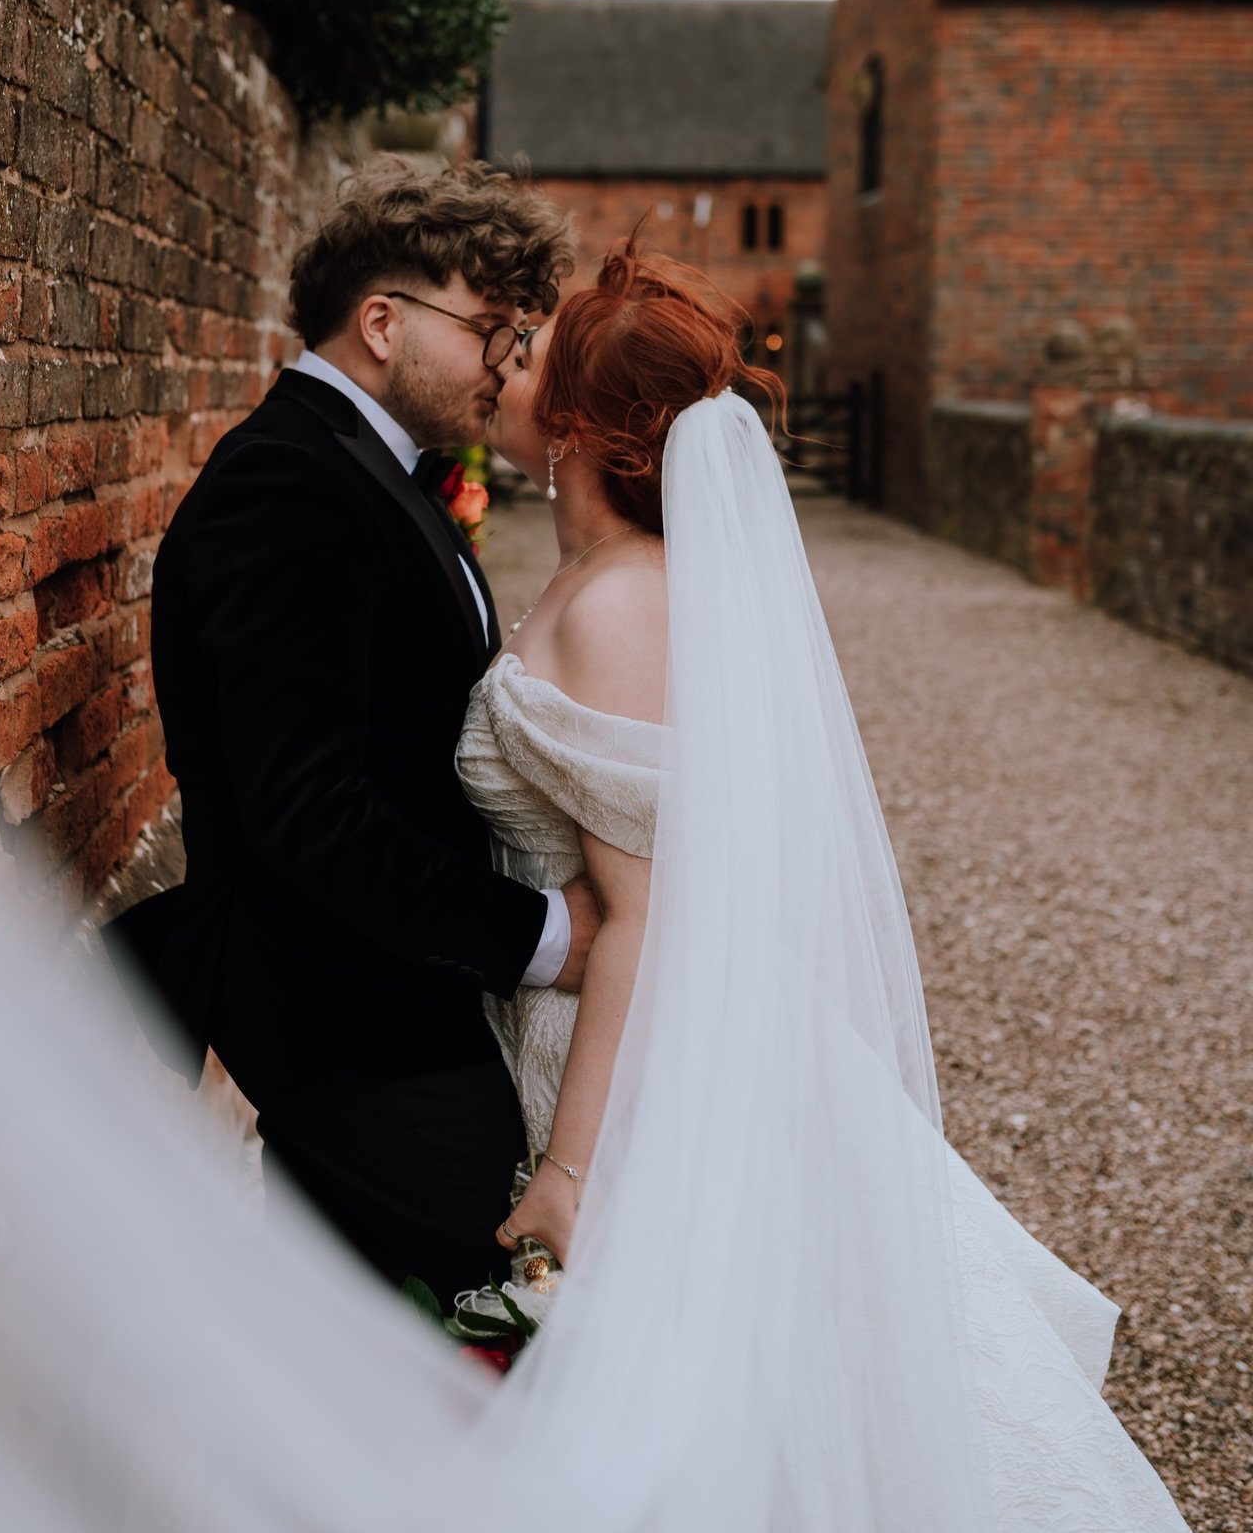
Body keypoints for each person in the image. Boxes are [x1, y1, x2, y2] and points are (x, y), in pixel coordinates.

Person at [452, 244, 1193, 1529]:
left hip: (634, 1065)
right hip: (621, 1027)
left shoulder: (617, 606)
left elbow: (651, 911)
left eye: (529, 353)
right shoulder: (602, 579)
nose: (502, 362)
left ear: (576, 423)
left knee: (721, 1387)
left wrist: (571, 1170)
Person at [107, 157, 600, 1307]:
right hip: (347, 1021)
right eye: (491, 327)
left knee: (355, 1342)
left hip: (405, 1000)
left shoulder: (373, 473)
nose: (506, 360)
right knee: (464, 1317)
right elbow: (307, 810)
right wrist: (540, 933)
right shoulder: (286, 484)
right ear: (383, 321)